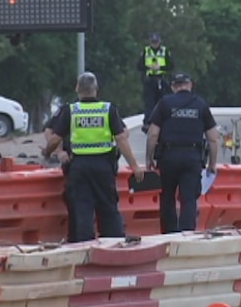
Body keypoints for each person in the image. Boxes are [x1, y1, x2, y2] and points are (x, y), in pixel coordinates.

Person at [43, 72, 144, 242]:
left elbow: (55, 138)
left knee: (82, 208)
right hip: (104, 166)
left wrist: (47, 152)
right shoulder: (108, 109)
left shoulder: (71, 110)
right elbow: (121, 139)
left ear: (77, 89)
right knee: (108, 207)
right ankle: (114, 244)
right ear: (96, 88)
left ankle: (85, 247)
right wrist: (134, 165)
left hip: (79, 167)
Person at [145, 73, 222, 234]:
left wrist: (149, 159)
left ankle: (169, 234)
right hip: (192, 158)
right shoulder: (200, 105)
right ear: (190, 85)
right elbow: (213, 139)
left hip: (168, 157)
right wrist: (212, 164)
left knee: (167, 198)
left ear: (173, 87)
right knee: (188, 199)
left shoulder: (164, 103)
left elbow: (153, 134)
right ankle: (187, 234)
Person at [41, 105, 77, 243]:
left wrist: (49, 151)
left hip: (80, 166)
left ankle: (79, 239)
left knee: (79, 206)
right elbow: (50, 133)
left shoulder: (104, 108)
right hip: (76, 164)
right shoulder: (68, 109)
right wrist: (58, 151)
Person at [137, 32, 175, 133]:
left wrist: (160, 67)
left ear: (160, 42)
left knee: (163, 101)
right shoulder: (146, 51)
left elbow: (171, 66)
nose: (155, 44)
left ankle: (164, 121)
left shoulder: (164, 51)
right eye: (153, 42)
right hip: (150, 79)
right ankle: (148, 123)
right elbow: (139, 66)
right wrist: (148, 67)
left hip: (162, 79)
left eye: (156, 42)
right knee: (149, 103)